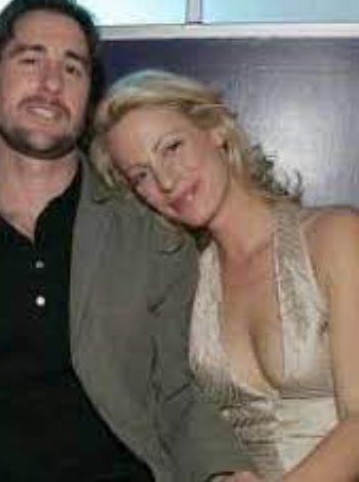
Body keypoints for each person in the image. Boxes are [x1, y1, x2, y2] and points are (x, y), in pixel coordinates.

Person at [0, 0, 253, 482]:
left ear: (88, 102)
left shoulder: (153, 240)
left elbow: (177, 395)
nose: (51, 82)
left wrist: (225, 471)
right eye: (30, 60)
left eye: (72, 68)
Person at [90, 69, 359, 481]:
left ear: (215, 129)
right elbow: (180, 425)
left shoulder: (335, 237)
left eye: (172, 147)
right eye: (141, 175)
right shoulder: (184, 284)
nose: (166, 181)